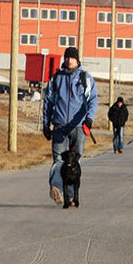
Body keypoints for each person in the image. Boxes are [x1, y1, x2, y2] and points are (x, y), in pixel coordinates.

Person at [43, 47, 98, 205]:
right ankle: (56, 188)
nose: (69, 60)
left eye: (72, 58)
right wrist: (46, 124)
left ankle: (72, 196)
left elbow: (93, 100)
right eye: (67, 57)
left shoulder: (84, 78)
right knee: (59, 160)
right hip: (60, 126)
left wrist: (89, 119)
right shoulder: (56, 78)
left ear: (77, 59)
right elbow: (48, 102)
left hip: (79, 126)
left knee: (75, 161)